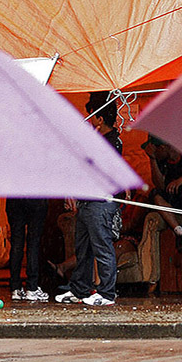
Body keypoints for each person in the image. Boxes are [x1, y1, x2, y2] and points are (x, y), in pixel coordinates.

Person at [55, 92, 122, 306]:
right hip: (87, 202)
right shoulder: (97, 139)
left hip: (101, 203)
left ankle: (107, 293)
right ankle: (79, 289)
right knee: (82, 249)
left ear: (99, 118)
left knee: (102, 247)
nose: (90, 118)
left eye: (92, 114)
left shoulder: (113, 142)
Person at [5, 198, 49, 302]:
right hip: (36, 195)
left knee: (16, 243)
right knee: (33, 243)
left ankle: (15, 288)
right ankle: (32, 288)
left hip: (15, 196)